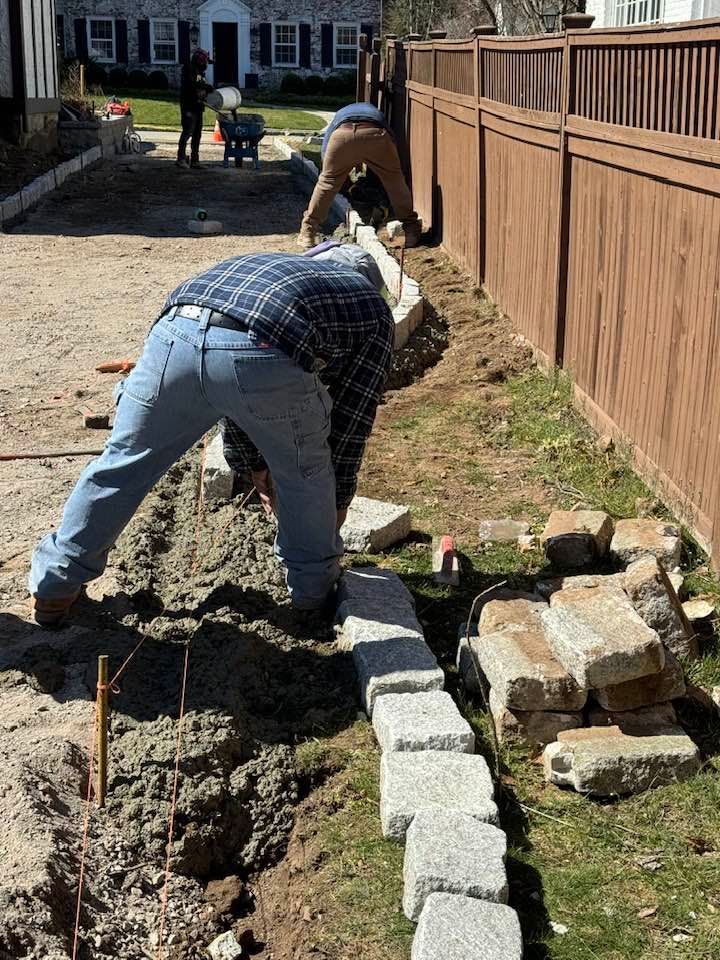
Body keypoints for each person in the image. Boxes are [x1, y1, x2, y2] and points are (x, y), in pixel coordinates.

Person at [29, 245, 393, 627]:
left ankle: (55, 586)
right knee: (306, 476)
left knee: (122, 463)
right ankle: (312, 597)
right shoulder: (369, 307)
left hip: (174, 335)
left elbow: (225, 387)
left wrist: (251, 466)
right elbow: (352, 418)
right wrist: (334, 499)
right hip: (262, 351)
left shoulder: (269, 268)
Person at [298, 102, 421, 251]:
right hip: (374, 133)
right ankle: (410, 229)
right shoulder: (376, 113)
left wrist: (333, 176)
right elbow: (391, 139)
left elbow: (325, 150)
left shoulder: (339, 116)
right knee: (394, 181)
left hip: (342, 136)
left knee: (326, 183)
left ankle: (308, 232)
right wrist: (393, 170)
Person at [177, 48, 213, 169]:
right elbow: (192, 85)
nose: (206, 64)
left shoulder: (200, 73)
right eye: (205, 62)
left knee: (197, 134)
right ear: (200, 61)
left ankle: (195, 160)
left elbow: (200, 88)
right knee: (187, 132)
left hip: (198, 106)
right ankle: (181, 158)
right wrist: (206, 86)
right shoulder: (189, 69)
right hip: (189, 106)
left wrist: (205, 92)